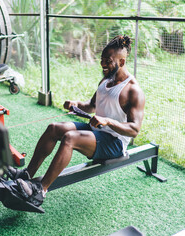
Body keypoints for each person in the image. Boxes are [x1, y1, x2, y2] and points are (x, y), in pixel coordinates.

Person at [10, 35, 145, 207]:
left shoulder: (133, 90)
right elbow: (92, 105)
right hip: (96, 131)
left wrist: (108, 121)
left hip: (115, 142)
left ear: (122, 61)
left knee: (70, 138)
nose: (103, 64)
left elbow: (134, 129)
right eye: (102, 59)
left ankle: (40, 191)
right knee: (54, 128)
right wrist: (76, 104)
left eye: (108, 61)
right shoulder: (106, 80)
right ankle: (27, 175)